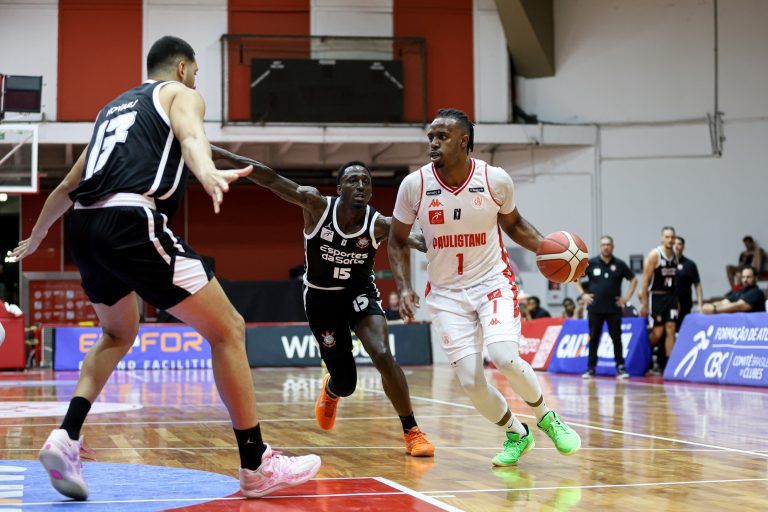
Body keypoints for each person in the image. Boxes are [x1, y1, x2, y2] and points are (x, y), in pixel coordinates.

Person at [11, 36, 320, 501]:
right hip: (131, 220)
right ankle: (256, 462)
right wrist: (205, 170)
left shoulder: (111, 111)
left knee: (117, 334)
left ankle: (66, 437)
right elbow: (193, 137)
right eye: (195, 72)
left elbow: (69, 185)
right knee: (229, 329)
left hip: (84, 229)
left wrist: (37, 236)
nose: (196, 82)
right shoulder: (179, 93)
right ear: (182, 68)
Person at [388, 108, 581, 467]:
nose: (433, 143)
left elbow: (514, 224)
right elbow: (397, 240)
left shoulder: (495, 180)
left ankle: (547, 418)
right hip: (446, 294)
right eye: (431, 137)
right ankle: (516, 434)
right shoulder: (414, 185)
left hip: (491, 281)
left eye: (442, 137)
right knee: (471, 382)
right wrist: (404, 286)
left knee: (504, 356)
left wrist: (553, 254)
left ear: (464, 141)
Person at [211, 150, 435, 457]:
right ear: (339, 188)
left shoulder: (378, 224)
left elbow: (416, 239)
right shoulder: (316, 206)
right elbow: (270, 178)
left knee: (383, 354)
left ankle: (412, 431)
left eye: (366, 181)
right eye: (353, 180)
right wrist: (219, 154)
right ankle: (332, 389)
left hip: (359, 294)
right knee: (346, 384)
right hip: (321, 300)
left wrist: (434, 245)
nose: (361, 185)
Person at [574, 236, 637, 379]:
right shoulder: (591, 263)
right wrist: (583, 295)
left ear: (613, 247)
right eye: (603, 244)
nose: (606, 247)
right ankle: (591, 368)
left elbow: (633, 279)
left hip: (614, 309)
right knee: (594, 338)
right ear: (600, 246)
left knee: (616, 338)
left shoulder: (619, 264)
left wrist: (626, 298)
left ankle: (620, 367)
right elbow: (576, 278)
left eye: (608, 244)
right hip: (595, 308)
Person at [639, 226, 679, 375]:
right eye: (667, 237)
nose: (670, 240)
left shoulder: (675, 255)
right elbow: (645, 281)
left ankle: (669, 366)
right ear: (662, 238)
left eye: (672, 237)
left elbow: (674, 280)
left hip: (671, 296)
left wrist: (677, 300)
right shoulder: (655, 255)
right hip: (656, 297)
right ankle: (642, 356)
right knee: (657, 333)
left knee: (671, 329)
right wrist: (644, 304)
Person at [674, 236, 703, 328]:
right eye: (674, 244)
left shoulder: (690, 264)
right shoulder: (665, 263)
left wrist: (700, 305)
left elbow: (697, 285)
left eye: (679, 244)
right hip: (669, 304)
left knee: (683, 329)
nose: (676, 246)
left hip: (685, 304)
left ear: (683, 247)